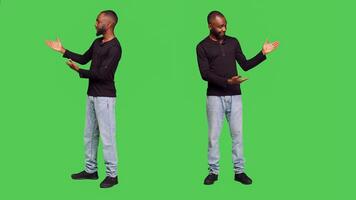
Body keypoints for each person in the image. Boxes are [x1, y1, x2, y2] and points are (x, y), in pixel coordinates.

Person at [196, 11, 279, 185]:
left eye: (225, 25)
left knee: (238, 135)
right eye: (220, 26)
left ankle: (239, 172)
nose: (224, 28)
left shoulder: (233, 42)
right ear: (210, 25)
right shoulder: (202, 46)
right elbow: (205, 74)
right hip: (214, 97)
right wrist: (227, 81)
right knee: (213, 136)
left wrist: (262, 54)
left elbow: (245, 65)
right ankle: (213, 172)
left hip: (235, 96)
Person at [46, 10, 122, 188]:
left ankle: (113, 175)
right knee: (89, 134)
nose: (95, 24)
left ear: (108, 24)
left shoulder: (115, 47)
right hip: (92, 95)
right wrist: (62, 50)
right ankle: (91, 170)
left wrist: (79, 71)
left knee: (107, 137)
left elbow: (103, 74)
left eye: (98, 21)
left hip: (105, 98)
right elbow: (83, 58)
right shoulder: (97, 43)